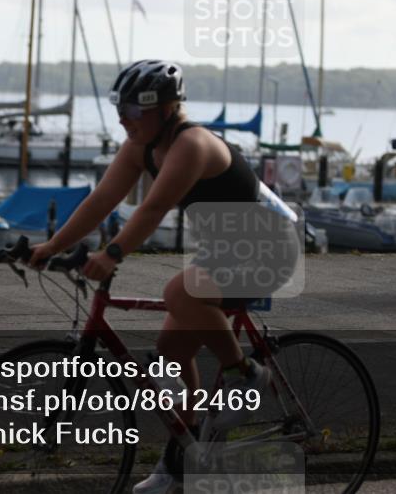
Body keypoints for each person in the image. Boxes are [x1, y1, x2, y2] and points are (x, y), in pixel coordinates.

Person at [29, 59, 297, 493]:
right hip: (230, 250)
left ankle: (245, 373)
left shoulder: (192, 145)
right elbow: (102, 199)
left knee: (180, 292)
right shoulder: (142, 145)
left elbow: (152, 209)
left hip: (271, 248)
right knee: (171, 347)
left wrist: (113, 253)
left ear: (168, 109)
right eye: (120, 109)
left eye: (135, 111)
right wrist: (51, 247)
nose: (124, 119)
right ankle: (183, 461)